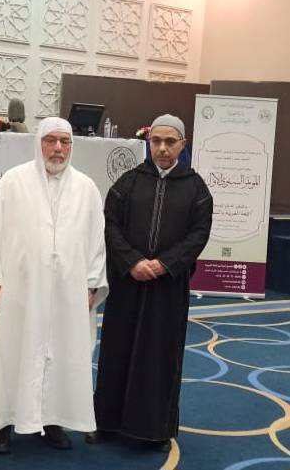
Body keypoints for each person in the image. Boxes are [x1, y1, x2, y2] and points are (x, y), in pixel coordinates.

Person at [0, 116, 108, 453]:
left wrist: (91, 285)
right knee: (10, 352)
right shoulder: (13, 181)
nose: (58, 148)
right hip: (20, 290)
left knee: (62, 354)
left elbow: (97, 241)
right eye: (51, 141)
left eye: (65, 142)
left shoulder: (86, 188)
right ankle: (0, 424)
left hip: (68, 291)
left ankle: (53, 421)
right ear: (38, 144)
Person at [89, 114, 213, 452]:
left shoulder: (196, 188)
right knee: (117, 350)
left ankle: (154, 430)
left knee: (160, 356)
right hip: (128, 283)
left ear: (182, 145)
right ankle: (106, 423)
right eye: (156, 141)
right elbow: (110, 225)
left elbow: (198, 234)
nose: (162, 149)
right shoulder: (128, 182)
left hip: (167, 288)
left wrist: (164, 264)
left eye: (170, 142)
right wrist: (132, 262)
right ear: (149, 142)